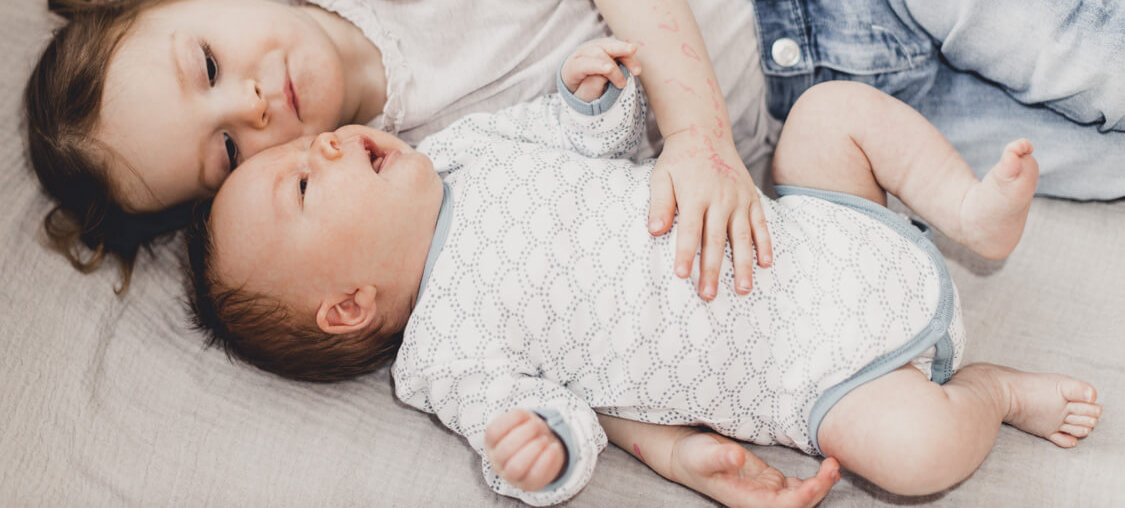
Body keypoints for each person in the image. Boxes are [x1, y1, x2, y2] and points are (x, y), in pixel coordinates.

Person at [23, 0, 1125, 302]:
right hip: (832, 122)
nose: (251, 103)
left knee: (1093, 62)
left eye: (207, 65)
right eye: (225, 149)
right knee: (1078, 162)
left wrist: (694, 139)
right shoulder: (405, 188)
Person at [184, 38, 1100, 506]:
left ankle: (961, 206)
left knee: (826, 115)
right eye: (305, 181)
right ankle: (993, 394)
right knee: (915, 457)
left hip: (810, 227)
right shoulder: (442, 356)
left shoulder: (464, 149)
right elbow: (550, 424)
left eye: (313, 145)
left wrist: (591, 97)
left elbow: (590, 140)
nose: (331, 142)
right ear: (348, 305)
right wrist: (534, 453)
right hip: (816, 378)